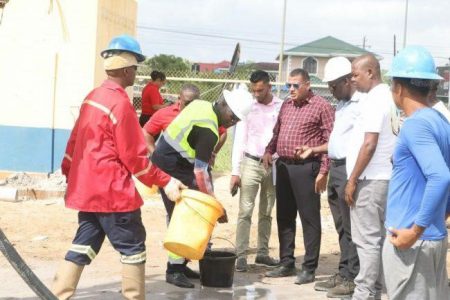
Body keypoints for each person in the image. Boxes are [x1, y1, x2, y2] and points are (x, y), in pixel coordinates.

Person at [52, 35, 186, 300]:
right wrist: (165, 181)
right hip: (113, 194)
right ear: (126, 69)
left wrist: (70, 173)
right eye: (136, 67)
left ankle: (59, 295)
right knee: (133, 247)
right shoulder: (120, 103)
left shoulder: (93, 97)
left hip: (88, 192)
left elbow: (74, 143)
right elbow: (135, 158)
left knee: (84, 244)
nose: (137, 72)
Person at [151, 86, 254, 288]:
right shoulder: (209, 130)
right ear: (223, 103)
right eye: (232, 117)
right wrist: (214, 204)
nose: (232, 123)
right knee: (183, 217)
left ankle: (180, 264)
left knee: (185, 215)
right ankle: (173, 270)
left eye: (236, 121)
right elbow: (200, 172)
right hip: (173, 166)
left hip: (168, 160)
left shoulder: (201, 105)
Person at [382, 45, 450, 300]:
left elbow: (442, 176)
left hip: (413, 242)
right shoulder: (439, 121)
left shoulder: (415, 125)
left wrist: (415, 230)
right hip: (430, 237)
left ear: (398, 88)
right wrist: (441, 215)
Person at [263, 68, 335, 285]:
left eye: (295, 85)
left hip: (307, 168)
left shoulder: (322, 107)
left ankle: (309, 267)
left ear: (307, 85)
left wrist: (324, 171)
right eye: (288, 86)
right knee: (284, 216)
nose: (291, 89)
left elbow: (331, 141)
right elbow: (276, 132)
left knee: (309, 219)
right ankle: (286, 262)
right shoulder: (286, 105)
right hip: (283, 167)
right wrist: (269, 150)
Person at [301, 57, 361, 298]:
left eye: (334, 86)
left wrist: (353, 177)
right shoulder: (343, 105)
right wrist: (315, 150)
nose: (332, 91)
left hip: (350, 169)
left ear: (348, 80)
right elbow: (337, 142)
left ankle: (354, 278)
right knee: (341, 226)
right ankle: (344, 271)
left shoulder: (361, 104)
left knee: (352, 227)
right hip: (336, 167)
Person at [345, 54, 397, 300]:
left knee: (367, 242)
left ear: (371, 73)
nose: (353, 79)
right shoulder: (388, 97)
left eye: (356, 74)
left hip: (370, 180)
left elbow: (369, 144)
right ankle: (376, 291)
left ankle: (364, 293)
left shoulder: (376, 100)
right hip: (384, 179)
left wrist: (352, 179)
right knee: (378, 241)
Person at [230, 70, 282, 272]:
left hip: (273, 165)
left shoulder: (280, 106)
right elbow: (239, 139)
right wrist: (236, 171)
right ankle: (241, 256)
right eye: (254, 90)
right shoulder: (248, 107)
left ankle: (262, 253)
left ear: (269, 86)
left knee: (267, 211)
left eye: (260, 90)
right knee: (245, 212)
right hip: (250, 163)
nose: (257, 94)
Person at [142, 83, 201, 154]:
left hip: (195, 162)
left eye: (195, 103)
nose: (191, 107)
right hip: (171, 162)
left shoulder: (205, 114)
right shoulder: (165, 113)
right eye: (187, 103)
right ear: (179, 99)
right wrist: (155, 154)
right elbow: (146, 132)